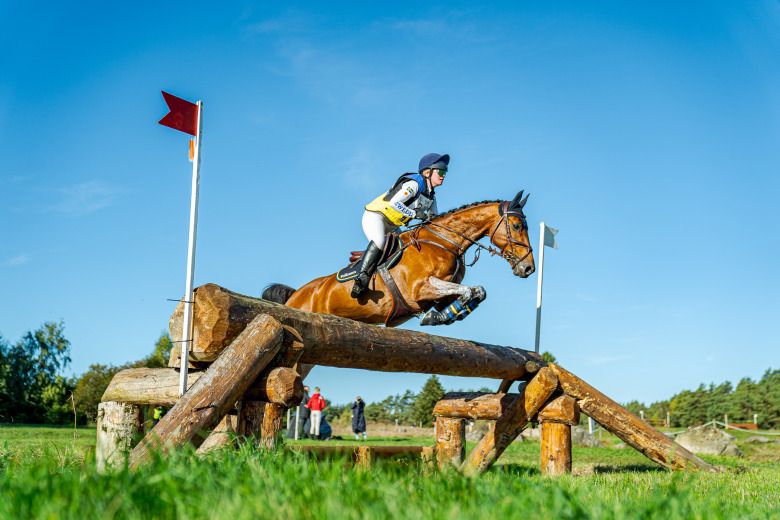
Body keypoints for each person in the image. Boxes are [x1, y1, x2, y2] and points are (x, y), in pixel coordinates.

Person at [351, 153, 449, 298]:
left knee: (404, 249)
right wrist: (414, 215)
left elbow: (434, 219)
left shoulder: (431, 197)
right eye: (440, 172)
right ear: (427, 172)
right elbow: (394, 203)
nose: (443, 175)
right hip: (376, 216)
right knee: (379, 241)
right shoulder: (414, 184)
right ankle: (361, 278)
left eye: (445, 172)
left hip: (393, 225)